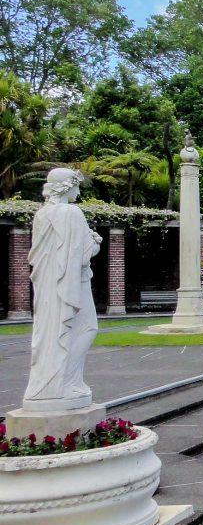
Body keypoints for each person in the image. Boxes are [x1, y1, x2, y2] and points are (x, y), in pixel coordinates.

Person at [23, 168, 102, 410]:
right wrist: (96, 242)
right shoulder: (72, 213)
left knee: (51, 330)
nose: (78, 191)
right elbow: (82, 255)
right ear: (66, 187)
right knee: (88, 327)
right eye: (76, 186)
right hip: (71, 283)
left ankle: (51, 384)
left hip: (47, 286)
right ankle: (68, 382)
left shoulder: (41, 215)